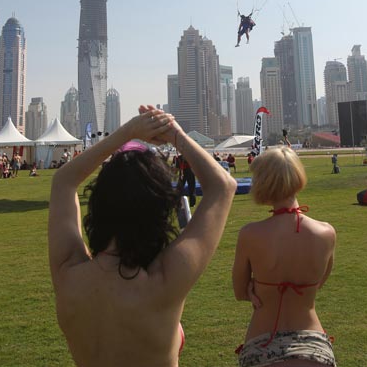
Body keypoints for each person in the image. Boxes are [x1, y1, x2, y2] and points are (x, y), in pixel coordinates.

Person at [48, 105, 236, 367]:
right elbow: (222, 186)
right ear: (158, 211)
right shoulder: (165, 281)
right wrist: (174, 134)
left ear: (99, 204)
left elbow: (63, 181)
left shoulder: (68, 273)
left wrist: (130, 131)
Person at [232, 146, 336, 367]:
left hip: (261, 342)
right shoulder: (326, 233)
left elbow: (240, 292)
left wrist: (254, 287)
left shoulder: (250, 234)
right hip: (313, 344)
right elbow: (318, 284)